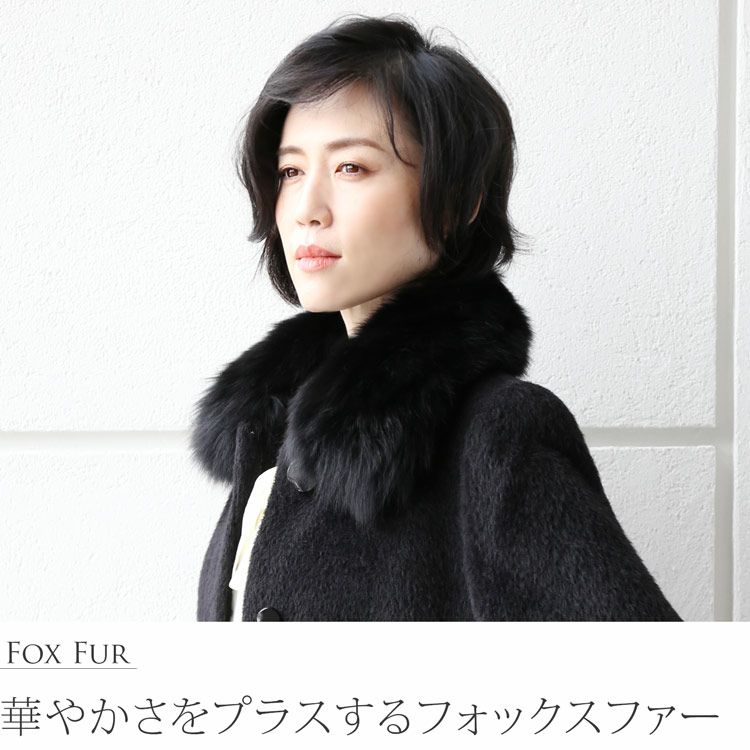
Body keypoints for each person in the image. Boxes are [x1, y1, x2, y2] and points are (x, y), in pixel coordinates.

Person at [189, 13, 683, 622]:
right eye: (291, 171)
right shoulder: (273, 433)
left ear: (456, 201)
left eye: (351, 167)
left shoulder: (498, 436)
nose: (307, 208)